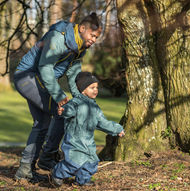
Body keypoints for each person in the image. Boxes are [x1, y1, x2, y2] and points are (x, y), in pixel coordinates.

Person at [13, 12, 102, 182]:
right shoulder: (58, 38)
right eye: (92, 35)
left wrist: (81, 98)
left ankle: (26, 169)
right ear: (82, 28)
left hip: (40, 80)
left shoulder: (79, 48)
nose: (94, 40)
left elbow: (73, 74)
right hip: (28, 77)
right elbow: (45, 68)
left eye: (97, 37)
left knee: (42, 122)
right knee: (63, 112)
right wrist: (59, 95)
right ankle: (47, 158)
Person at [51, 71, 125, 187]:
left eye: (97, 87)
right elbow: (69, 109)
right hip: (74, 142)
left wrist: (117, 129)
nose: (95, 90)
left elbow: (102, 122)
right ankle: (57, 173)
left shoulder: (95, 108)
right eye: (92, 87)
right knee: (73, 163)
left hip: (88, 142)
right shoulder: (76, 103)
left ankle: (82, 180)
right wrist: (64, 110)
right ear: (83, 89)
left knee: (92, 162)